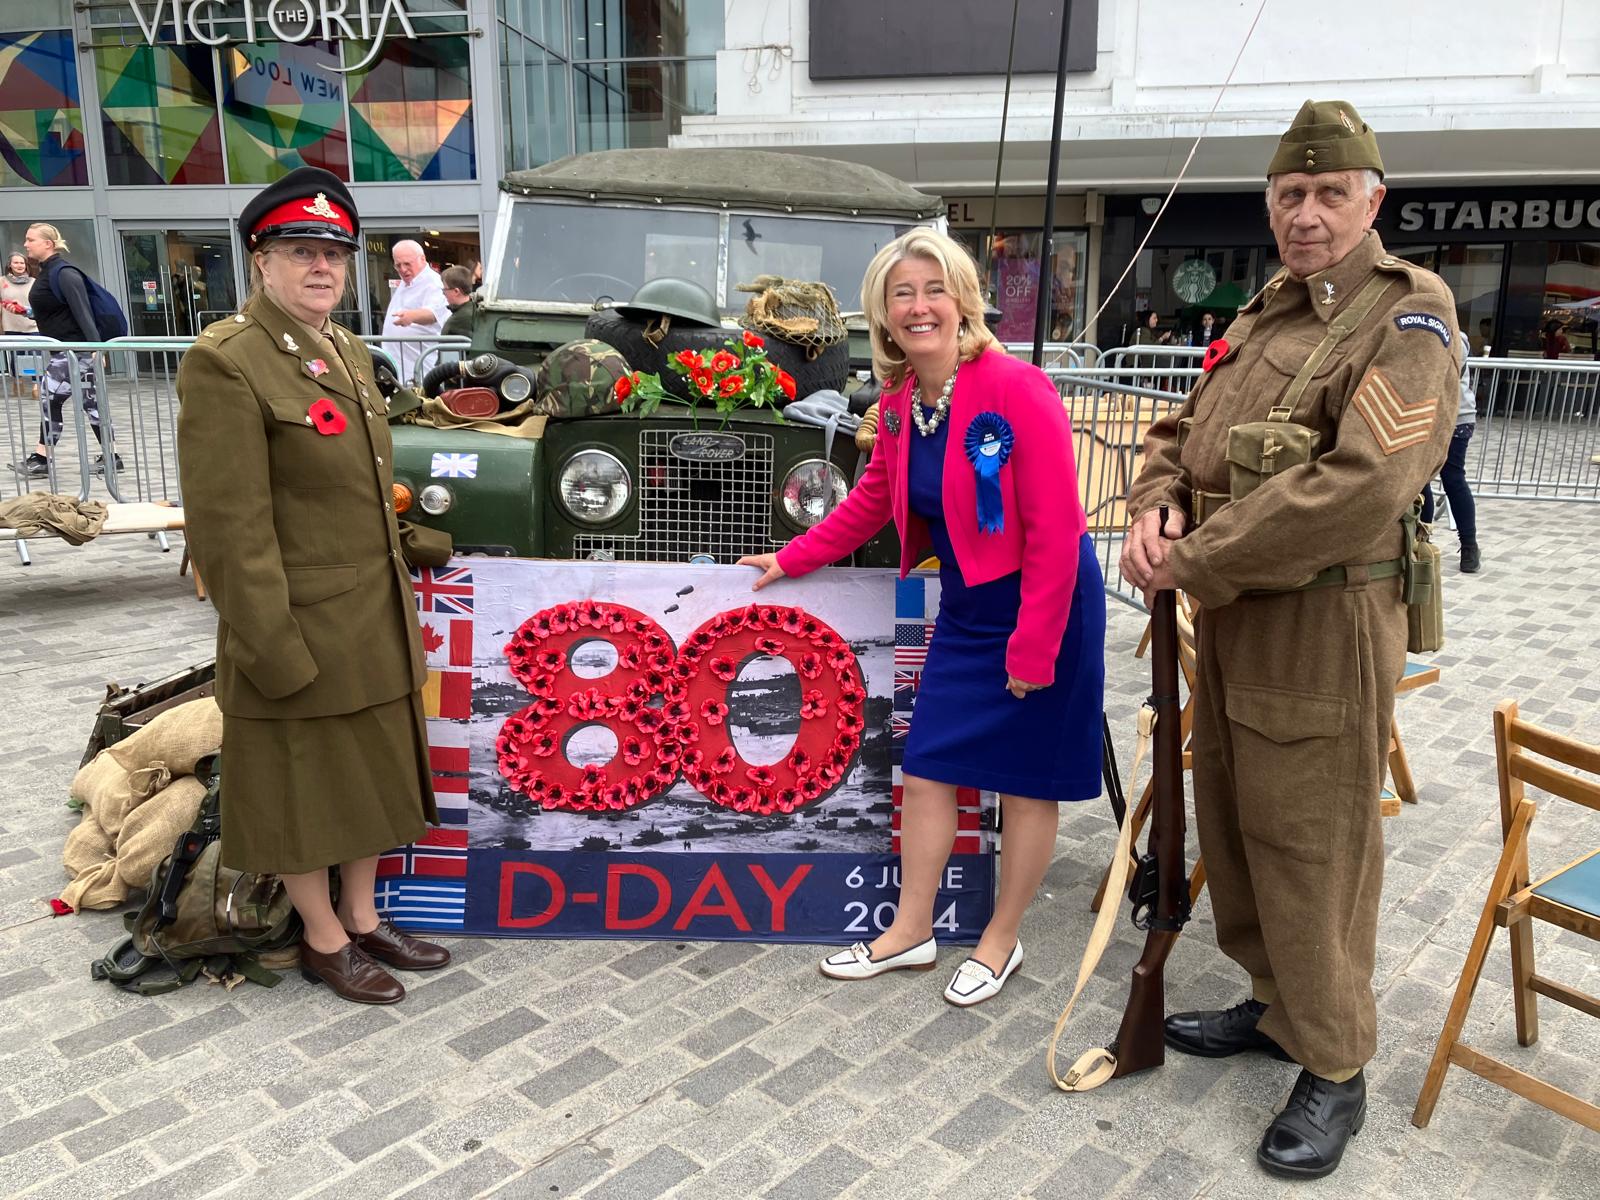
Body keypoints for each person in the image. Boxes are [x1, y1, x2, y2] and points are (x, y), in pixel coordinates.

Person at [1120, 101, 1457, 1179]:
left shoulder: (1405, 319)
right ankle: (1275, 1009)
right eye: (1289, 195)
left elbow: (1358, 488)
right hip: (1233, 618)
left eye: (1328, 194)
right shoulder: (1269, 314)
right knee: (1237, 817)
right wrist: (1156, 502)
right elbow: (1185, 429)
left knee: (1312, 842)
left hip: (1322, 618)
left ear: (1372, 203)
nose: (1306, 214)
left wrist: (1196, 561)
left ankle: (1336, 1062)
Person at [738, 229, 1106, 1008]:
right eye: (901, 294)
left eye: (933, 290)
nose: (918, 307)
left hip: (1047, 601)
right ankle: (911, 930)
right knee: (930, 765)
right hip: (973, 604)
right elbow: (875, 498)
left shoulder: (1020, 390)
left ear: (963, 301)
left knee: (1027, 784)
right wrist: (792, 557)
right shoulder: (903, 403)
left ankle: (1001, 939)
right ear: (883, 312)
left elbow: (1051, 529)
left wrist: (1034, 648)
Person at [177, 167, 455, 1006]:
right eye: (300, 252)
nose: (321, 268)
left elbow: (359, 487)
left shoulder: (343, 350)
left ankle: (363, 915)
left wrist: (418, 541)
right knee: (302, 788)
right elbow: (229, 528)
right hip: (294, 623)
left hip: (367, 616)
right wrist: (270, 646)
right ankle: (322, 937)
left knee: (367, 777)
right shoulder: (227, 362)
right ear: (261, 262)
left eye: (333, 253)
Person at [18, 224, 118, 477]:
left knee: (49, 396)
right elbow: (55, 309)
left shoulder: (64, 273)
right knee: (88, 402)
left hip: (74, 351)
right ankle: (111, 456)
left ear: (48, 244)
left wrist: (96, 348)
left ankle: (42, 457)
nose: (26, 244)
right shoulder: (48, 272)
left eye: (31, 240)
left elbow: (82, 310)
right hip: (70, 351)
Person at [1420, 331, 1481, 573]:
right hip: (1450, 415)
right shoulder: (1458, 335)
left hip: (1447, 415)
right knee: (1440, 478)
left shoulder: (1440, 333)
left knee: (1434, 478)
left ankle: (1461, 544)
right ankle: (1466, 545)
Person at [381, 239, 449, 384]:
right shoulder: (407, 281)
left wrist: (411, 316)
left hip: (418, 365)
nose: (402, 269)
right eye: (398, 265)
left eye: (407, 263)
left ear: (422, 259)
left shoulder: (433, 283)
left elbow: (434, 313)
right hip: (400, 363)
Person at [440, 264, 475, 338]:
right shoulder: (472, 309)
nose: (443, 293)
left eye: (445, 289)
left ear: (456, 291)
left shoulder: (461, 318)